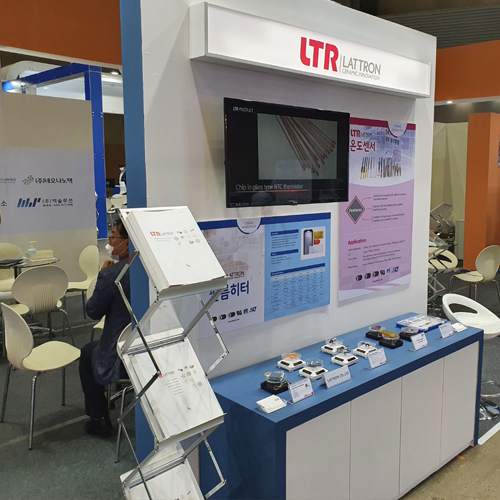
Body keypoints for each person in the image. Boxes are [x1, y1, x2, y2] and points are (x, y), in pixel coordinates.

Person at [79, 220, 131, 436]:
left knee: (87, 353)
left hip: (120, 351)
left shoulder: (111, 275)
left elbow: (93, 311)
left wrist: (102, 277)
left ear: (127, 243)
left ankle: (99, 418)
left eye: (113, 237)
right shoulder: (153, 270)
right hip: (150, 348)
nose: (109, 241)